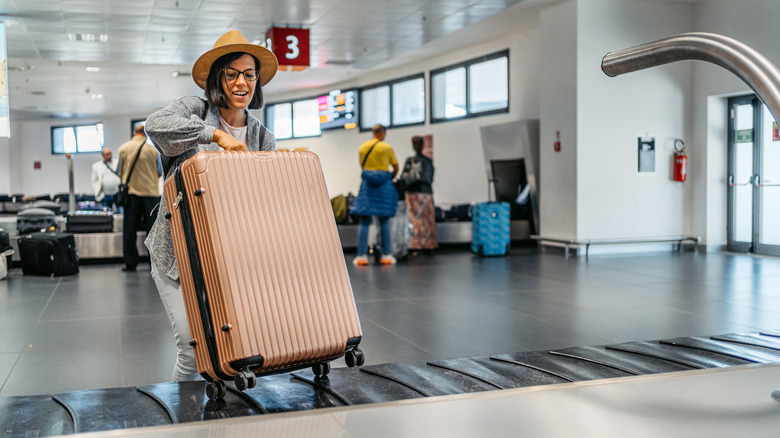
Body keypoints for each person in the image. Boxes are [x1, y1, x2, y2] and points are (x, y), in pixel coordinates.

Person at [143, 30, 278, 381]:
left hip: (225, 258)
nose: (241, 82)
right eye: (231, 73)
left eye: (249, 74)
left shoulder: (263, 137)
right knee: (192, 349)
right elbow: (154, 126)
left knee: (226, 349)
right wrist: (214, 135)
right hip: (177, 253)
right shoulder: (195, 110)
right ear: (218, 77)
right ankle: (181, 424)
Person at [350, 124, 399, 266]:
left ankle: (361, 256)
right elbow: (395, 167)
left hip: (367, 186)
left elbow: (362, 167)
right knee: (384, 220)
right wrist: (389, 178)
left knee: (364, 221)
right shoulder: (387, 148)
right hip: (384, 186)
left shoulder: (362, 148)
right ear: (382, 133)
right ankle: (387, 255)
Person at [118, 123, 161, 272]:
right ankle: (154, 264)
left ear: (134, 133)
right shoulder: (153, 150)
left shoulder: (123, 149)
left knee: (130, 231)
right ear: (145, 134)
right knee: (152, 231)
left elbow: (120, 171)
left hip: (131, 194)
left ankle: (131, 263)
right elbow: (159, 172)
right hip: (150, 194)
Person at [401, 135, 438, 255]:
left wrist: (414, 178)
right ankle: (414, 245)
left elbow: (428, 178)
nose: (416, 146)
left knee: (426, 220)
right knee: (414, 221)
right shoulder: (409, 161)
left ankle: (429, 245)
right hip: (412, 195)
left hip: (424, 194)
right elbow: (404, 177)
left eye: (418, 144)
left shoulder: (428, 161)